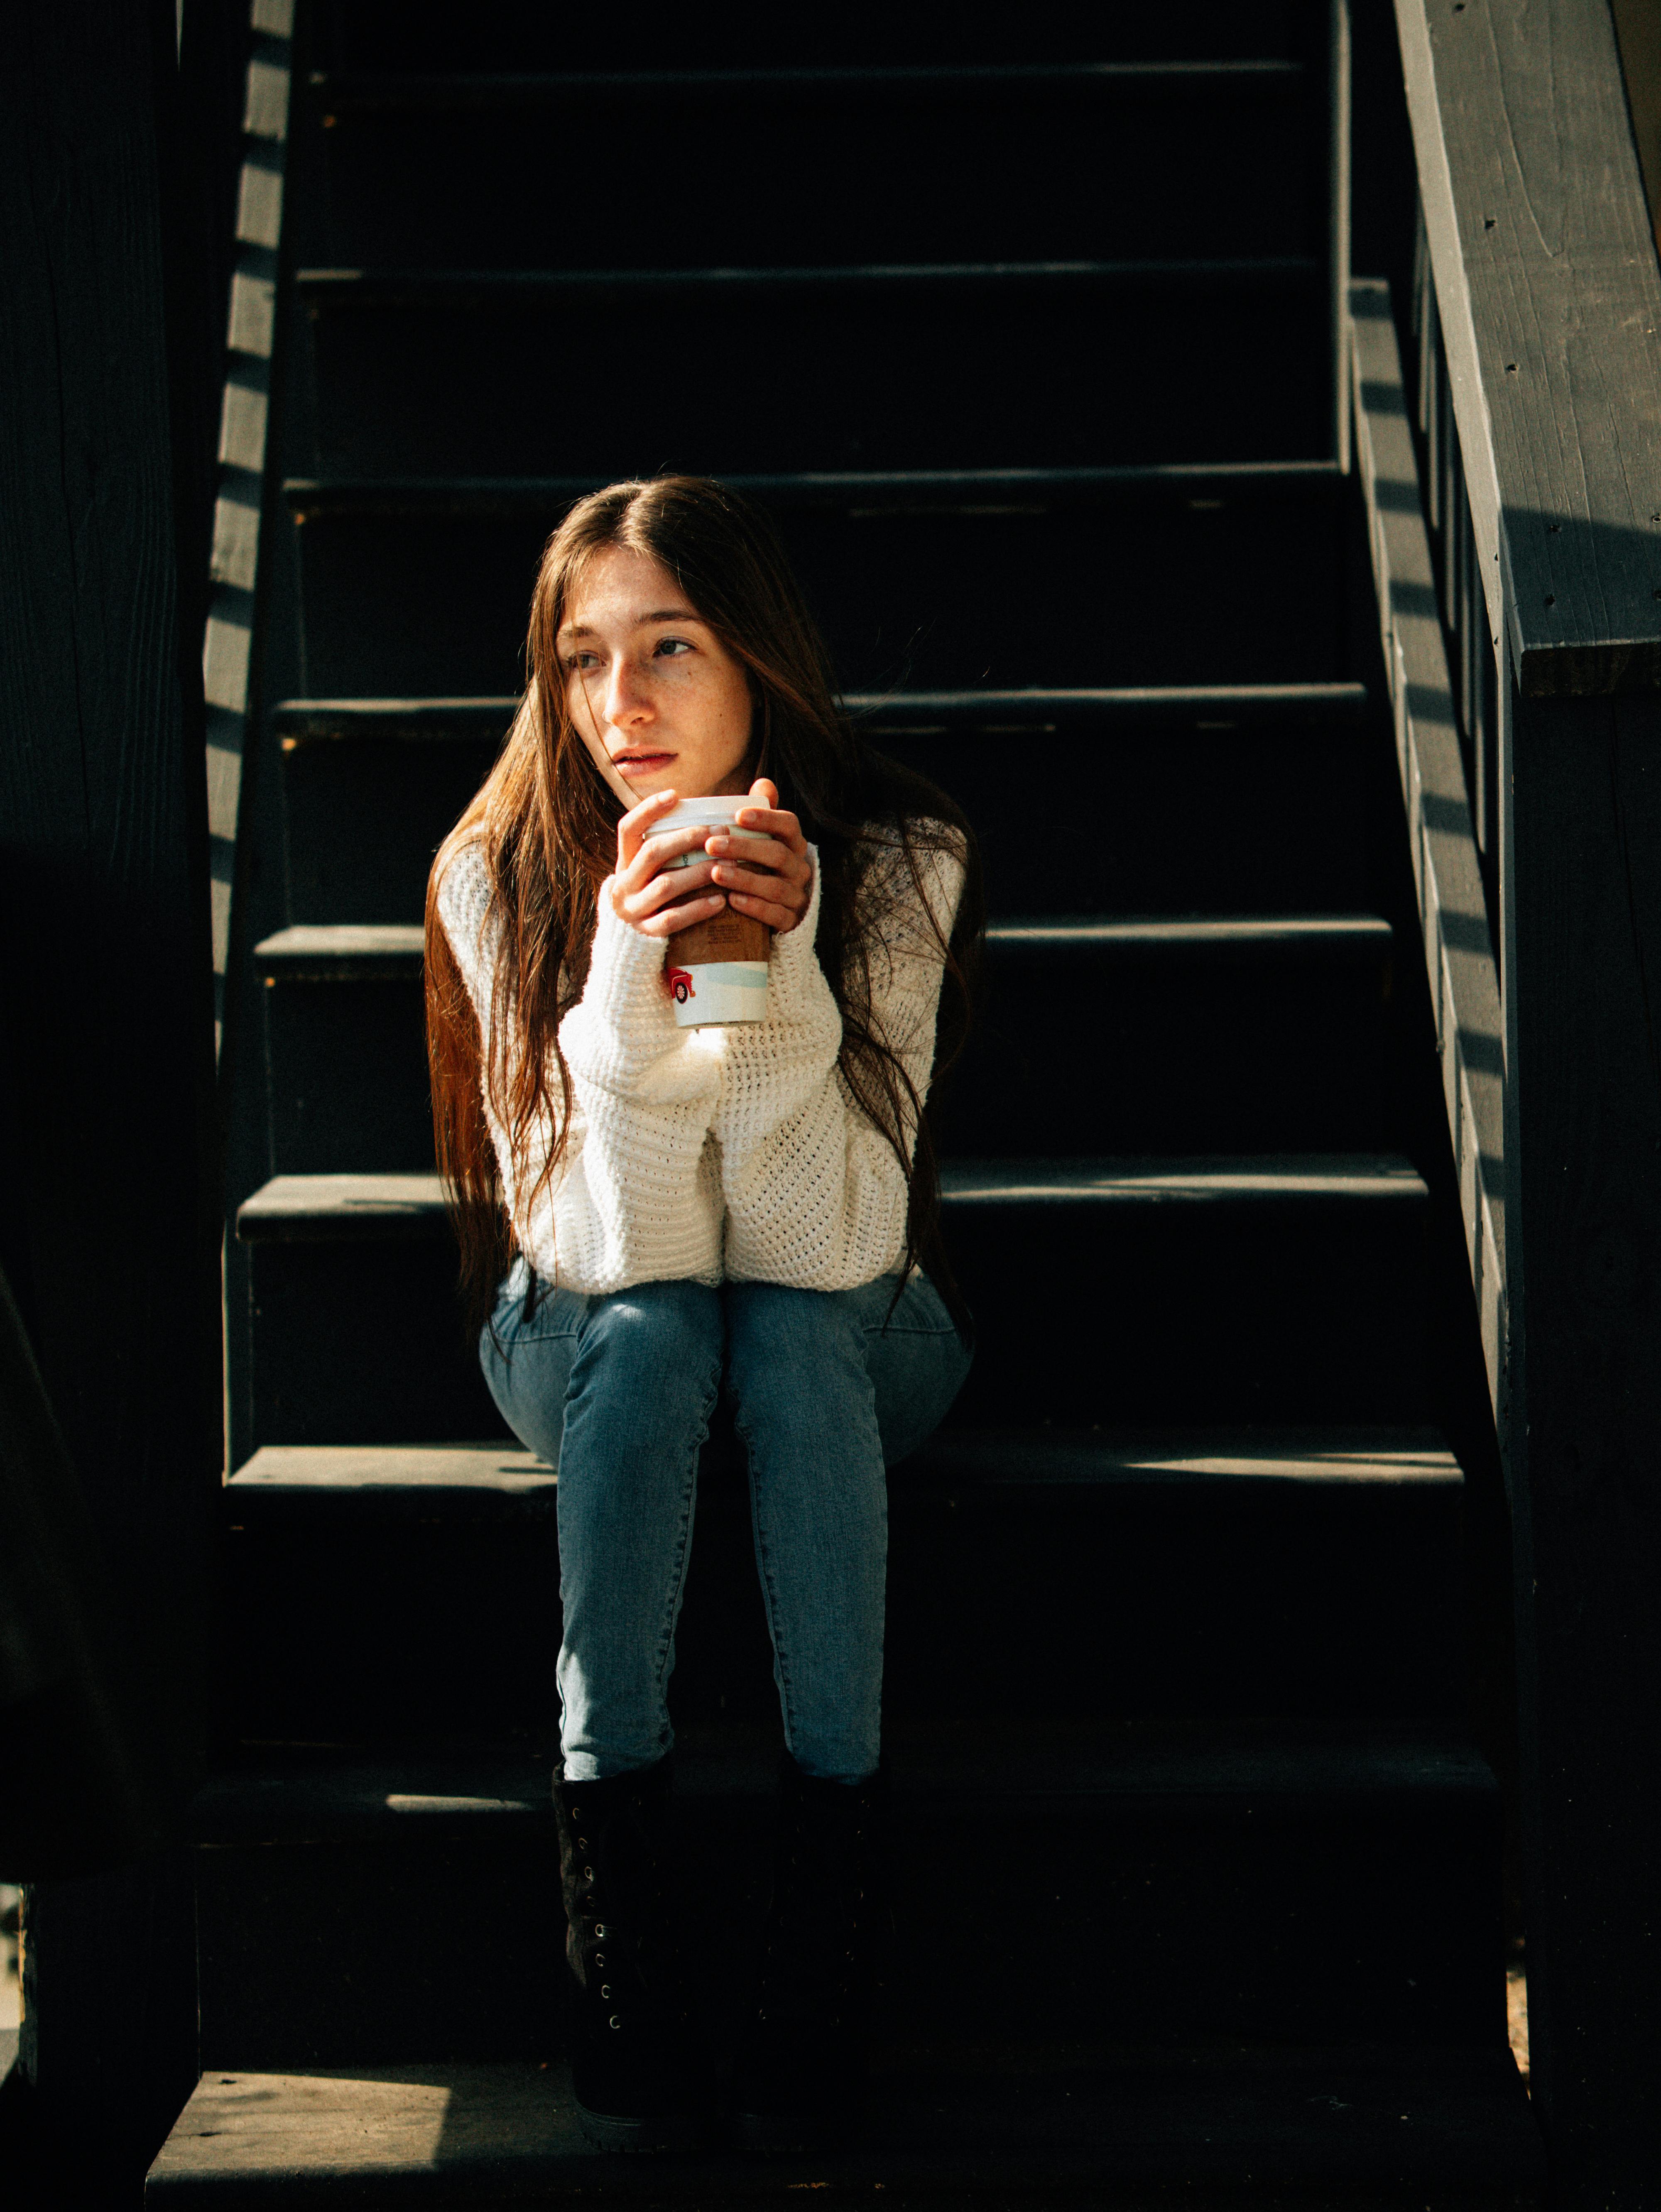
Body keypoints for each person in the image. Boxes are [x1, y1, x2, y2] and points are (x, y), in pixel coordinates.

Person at [424, 476, 980, 2151]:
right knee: (667, 1329)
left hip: (849, 1317)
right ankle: (624, 1920)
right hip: (581, 1322)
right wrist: (623, 977)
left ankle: (827, 1925)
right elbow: (612, 1248)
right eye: (581, 657)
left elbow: (823, 1245)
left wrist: (771, 969)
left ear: (759, 655)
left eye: (667, 645)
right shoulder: (498, 870)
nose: (620, 703)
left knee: (791, 1338)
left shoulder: (897, 859)